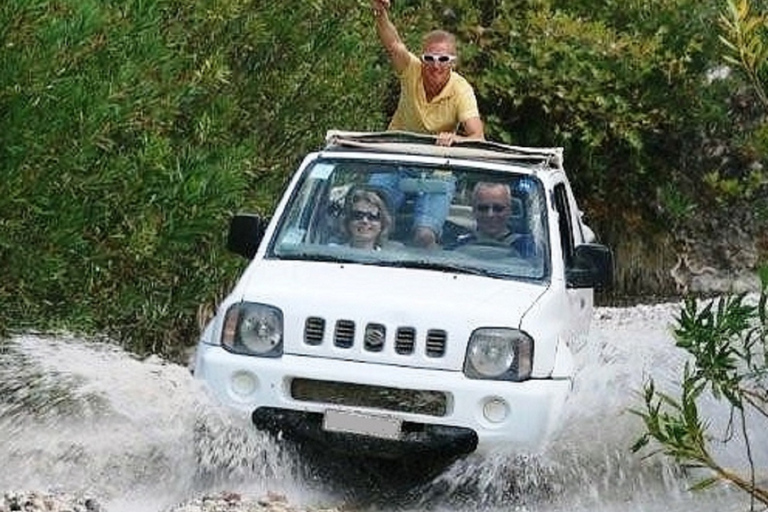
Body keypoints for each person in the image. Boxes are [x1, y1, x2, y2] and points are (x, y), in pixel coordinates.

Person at [369, 0, 485, 248]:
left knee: (424, 235)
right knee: (369, 212)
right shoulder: (411, 70)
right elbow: (393, 44)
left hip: (437, 167)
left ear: (452, 62)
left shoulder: (461, 89)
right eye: (429, 58)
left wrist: (456, 139)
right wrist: (380, 12)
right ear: (422, 58)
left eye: (443, 59)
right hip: (396, 159)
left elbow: (478, 137)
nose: (435, 65)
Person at [452, 181, 537, 257]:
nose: (490, 215)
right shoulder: (460, 244)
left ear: (509, 211)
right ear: (474, 211)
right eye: (483, 208)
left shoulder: (528, 248)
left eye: (498, 208)